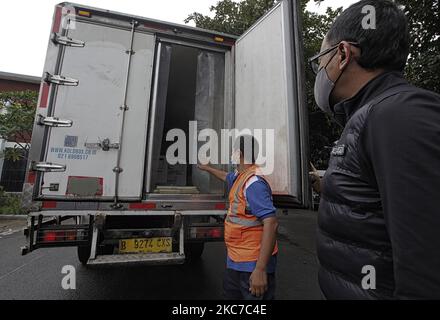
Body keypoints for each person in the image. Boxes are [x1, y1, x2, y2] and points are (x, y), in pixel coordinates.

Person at [308, 0, 440, 299]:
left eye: (320, 60)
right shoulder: (372, 115)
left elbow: (427, 271)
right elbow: (374, 197)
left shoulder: (398, 114)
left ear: (342, 54)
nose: (319, 71)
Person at [198, 135, 278, 300]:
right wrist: (208, 168)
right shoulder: (241, 176)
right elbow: (226, 176)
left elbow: (271, 223)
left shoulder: (253, 182)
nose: (231, 156)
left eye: (232, 153)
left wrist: (260, 269)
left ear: (239, 153)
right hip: (236, 261)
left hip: (252, 265)